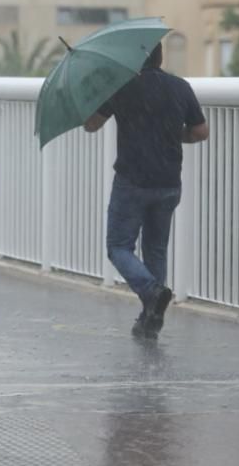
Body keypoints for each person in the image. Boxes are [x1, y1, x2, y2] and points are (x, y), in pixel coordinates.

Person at [83, 42, 209, 339]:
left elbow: (91, 125)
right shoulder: (180, 87)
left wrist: (95, 97)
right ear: (160, 57)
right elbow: (201, 131)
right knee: (155, 249)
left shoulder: (122, 87)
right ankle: (149, 320)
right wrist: (171, 134)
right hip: (168, 183)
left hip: (133, 181)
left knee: (118, 246)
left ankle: (152, 293)